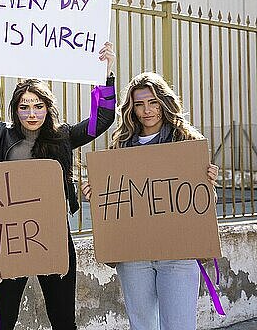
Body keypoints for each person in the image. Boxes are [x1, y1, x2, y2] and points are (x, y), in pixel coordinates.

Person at [0, 41, 117, 330]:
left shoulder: (64, 136)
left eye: (38, 106)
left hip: (54, 236)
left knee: (63, 319)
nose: (31, 113)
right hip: (10, 238)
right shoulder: (3, 137)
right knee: (2, 320)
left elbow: (103, 119)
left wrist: (106, 74)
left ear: (47, 107)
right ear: (15, 111)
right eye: (24, 107)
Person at [81, 71, 219, 330]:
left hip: (179, 253)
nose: (147, 110)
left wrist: (208, 182)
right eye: (139, 104)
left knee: (179, 325)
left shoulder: (187, 141)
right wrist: (96, 197)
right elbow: (117, 202)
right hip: (135, 255)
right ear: (131, 109)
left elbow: (201, 203)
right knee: (142, 325)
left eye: (153, 102)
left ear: (164, 102)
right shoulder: (121, 146)